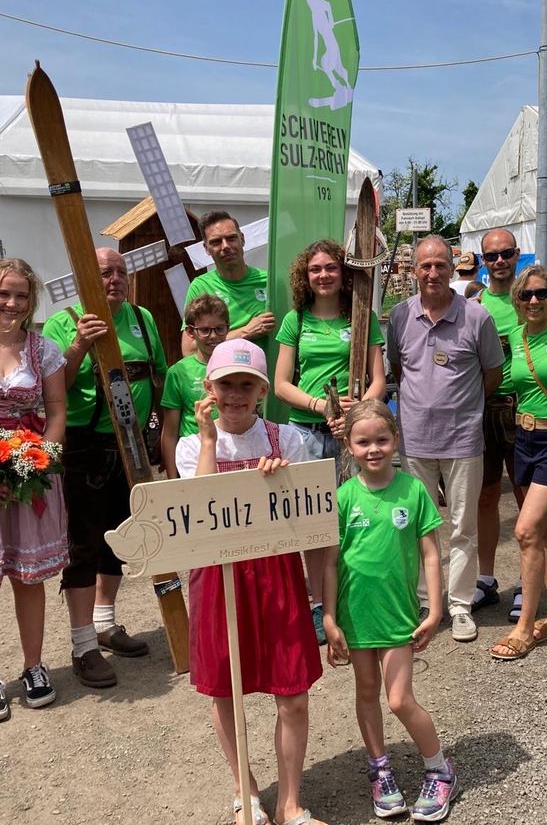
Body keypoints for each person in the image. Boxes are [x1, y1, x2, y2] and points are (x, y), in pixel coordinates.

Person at [175, 339, 324, 825]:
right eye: (225, 384)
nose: (235, 395)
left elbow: (309, 514)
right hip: (217, 576)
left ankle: (290, 801)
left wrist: (281, 481)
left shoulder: (288, 440)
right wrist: (212, 443)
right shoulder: (192, 444)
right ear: (208, 388)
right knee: (223, 687)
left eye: (246, 385)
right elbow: (195, 511)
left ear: (262, 390)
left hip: (276, 572)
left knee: (293, 689)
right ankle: (246, 789)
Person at [323, 400, 459, 823]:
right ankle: (379, 768)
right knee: (366, 693)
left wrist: (434, 608)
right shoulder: (342, 497)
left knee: (399, 699)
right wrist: (328, 617)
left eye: (382, 439)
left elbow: (431, 554)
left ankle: (439, 769)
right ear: (348, 445)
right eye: (363, 442)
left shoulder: (414, 489)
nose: (373, 449)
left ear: (395, 440)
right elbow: (329, 561)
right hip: (355, 616)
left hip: (400, 616)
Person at [43, 248, 167, 688]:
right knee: (83, 544)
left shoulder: (142, 317)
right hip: (83, 446)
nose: (114, 279)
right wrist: (79, 344)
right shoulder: (63, 321)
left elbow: (159, 376)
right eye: (103, 273)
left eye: (120, 271)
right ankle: (82, 646)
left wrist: (159, 440)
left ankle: (105, 623)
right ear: (84, 280)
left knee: (122, 536)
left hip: (131, 443)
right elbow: (51, 389)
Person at [387, 235, 503, 643]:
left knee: (462, 527)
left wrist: (461, 407)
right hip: (415, 440)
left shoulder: (476, 318)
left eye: (440, 265)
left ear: (453, 269)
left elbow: (492, 375)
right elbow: (399, 371)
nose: (432, 272)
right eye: (425, 266)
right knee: (419, 525)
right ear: (414, 271)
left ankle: (460, 605)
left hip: (463, 439)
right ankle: (424, 601)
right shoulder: (400, 317)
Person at [274, 239, 385, 645]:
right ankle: (320, 605)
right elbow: (282, 384)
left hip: (349, 434)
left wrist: (355, 414)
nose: (323, 275)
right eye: (315, 269)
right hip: (305, 432)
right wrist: (322, 406)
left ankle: (353, 597)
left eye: (331, 268)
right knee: (313, 523)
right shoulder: (295, 320)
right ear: (305, 276)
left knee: (353, 517)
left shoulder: (362, 318)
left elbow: (378, 381)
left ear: (345, 273)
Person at [490, 265, 547, 660]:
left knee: (525, 530)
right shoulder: (516, 335)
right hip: (523, 438)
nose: (533, 301)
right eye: (526, 295)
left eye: (542, 294)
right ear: (516, 300)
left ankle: (525, 626)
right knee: (544, 532)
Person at [0, 259, 67, 716]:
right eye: (4, 293)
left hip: (29, 474)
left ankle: (34, 665)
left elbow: (57, 412)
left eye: (21, 295)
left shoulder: (43, 349)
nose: (11, 303)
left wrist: (35, 464)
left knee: (28, 578)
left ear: (32, 300)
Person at [471, 229, 524, 623]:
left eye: (506, 253)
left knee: (527, 499)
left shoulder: (533, 299)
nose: (500, 261)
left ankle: (527, 580)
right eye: (492, 256)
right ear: (483, 261)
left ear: (517, 255)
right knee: (486, 498)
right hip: (485, 408)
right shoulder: (474, 305)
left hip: (525, 408)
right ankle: (486, 579)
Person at [182, 211, 274, 356]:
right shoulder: (201, 287)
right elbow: (189, 349)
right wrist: (246, 331)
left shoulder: (270, 281)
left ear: (242, 239)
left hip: (266, 376)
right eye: (216, 242)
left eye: (231, 238)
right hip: (223, 376)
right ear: (206, 248)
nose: (225, 246)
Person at [161, 294, 229, 479]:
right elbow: (170, 431)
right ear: (191, 332)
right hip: (193, 456)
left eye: (219, 329)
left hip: (232, 454)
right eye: (205, 330)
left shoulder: (236, 365)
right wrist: (172, 477)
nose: (213, 336)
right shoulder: (179, 372)